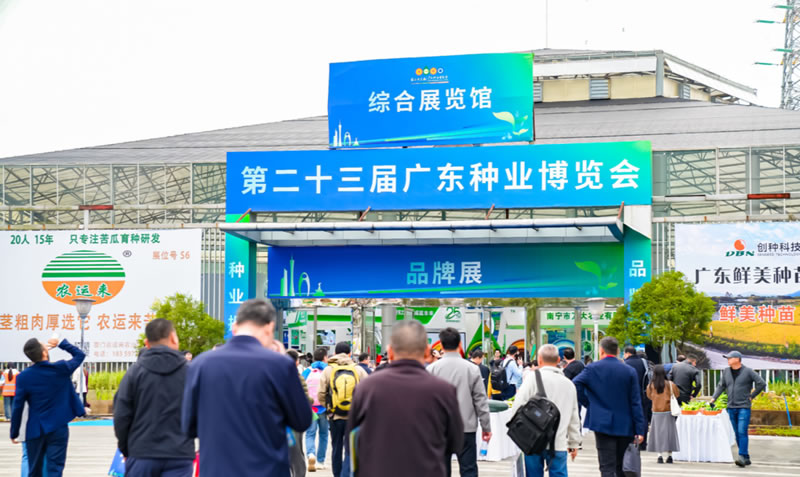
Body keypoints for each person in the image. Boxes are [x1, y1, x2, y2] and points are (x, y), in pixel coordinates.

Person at [181, 298, 312, 476]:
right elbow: (302, 420)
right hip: (267, 470)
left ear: (235, 327)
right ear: (269, 328)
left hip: (216, 470)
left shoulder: (200, 364)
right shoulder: (279, 365)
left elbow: (188, 426)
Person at [347, 320, 464, 477]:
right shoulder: (444, 391)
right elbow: (455, 442)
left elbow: (352, 441)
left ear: (390, 352)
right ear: (427, 352)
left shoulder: (366, 388)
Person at [113, 318, 194, 477]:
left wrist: (126, 449)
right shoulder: (190, 371)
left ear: (147, 343)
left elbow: (121, 415)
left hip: (142, 453)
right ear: (173, 338)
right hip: (179, 454)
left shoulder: (134, 372)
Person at [10, 337, 86, 477]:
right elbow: (80, 355)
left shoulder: (24, 377)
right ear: (44, 352)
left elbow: (17, 406)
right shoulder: (61, 368)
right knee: (55, 469)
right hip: (58, 428)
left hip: (35, 429)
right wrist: (61, 343)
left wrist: (14, 432)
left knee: (35, 470)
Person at [573, 337, 645, 477]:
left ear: (601, 351)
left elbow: (575, 384)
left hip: (601, 422)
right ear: (618, 351)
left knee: (606, 466)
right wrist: (639, 429)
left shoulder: (592, 368)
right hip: (625, 423)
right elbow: (636, 401)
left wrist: (589, 403)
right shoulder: (629, 371)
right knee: (622, 465)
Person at [428, 328, 491, 477]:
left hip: (440, 429)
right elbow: (480, 400)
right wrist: (486, 427)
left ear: (441, 345)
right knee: (468, 469)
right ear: (460, 344)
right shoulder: (472, 369)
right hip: (465, 428)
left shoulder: (431, 369)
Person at [512, 344, 581, 477]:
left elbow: (517, 407)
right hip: (558, 443)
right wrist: (574, 443)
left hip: (532, 440)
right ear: (558, 360)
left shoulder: (532, 379)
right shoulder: (569, 384)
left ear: (539, 359)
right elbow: (574, 417)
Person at [317, 341, 368, 477]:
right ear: (350, 353)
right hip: (353, 417)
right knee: (351, 449)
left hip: (335, 416)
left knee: (336, 448)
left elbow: (321, 393)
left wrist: (329, 408)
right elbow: (367, 392)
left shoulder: (328, 370)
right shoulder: (358, 370)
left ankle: (337, 474)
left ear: (335, 353)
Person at [711, 350, 766, 467]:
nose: (728, 360)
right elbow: (721, 386)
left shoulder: (748, 371)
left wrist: (752, 396)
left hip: (743, 407)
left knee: (742, 431)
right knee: (737, 433)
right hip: (731, 407)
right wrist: (713, 398)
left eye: (729, 358)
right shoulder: (726, 371)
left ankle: (741, 456)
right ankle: (746, 457)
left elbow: (761, 383)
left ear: (737, 359)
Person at [645, 365, 680, 464]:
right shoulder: (670, 384)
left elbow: (649, 396)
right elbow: (677, 394)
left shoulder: (651, 385)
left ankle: (659, 456)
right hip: (668, 411)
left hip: (656, 412)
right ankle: (670, 456)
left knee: (658, 434)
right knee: (670, 434)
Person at [303, 347, 329, 472]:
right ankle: (320, 461)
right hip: (324, 407)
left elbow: (300, 387)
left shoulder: (307, 371)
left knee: (310, 434)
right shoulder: (328, 371)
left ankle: (311, 454)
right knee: (324, 434)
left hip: (311, 407)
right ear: (325, 357)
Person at [623, 346, 651, 450]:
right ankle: (642, 442)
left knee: (629, 417)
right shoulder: (644, 363)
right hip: (644, 394)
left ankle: (631, 441)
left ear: (627, 353)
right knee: (643, 417)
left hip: (629, 396)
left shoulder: (625, 364)